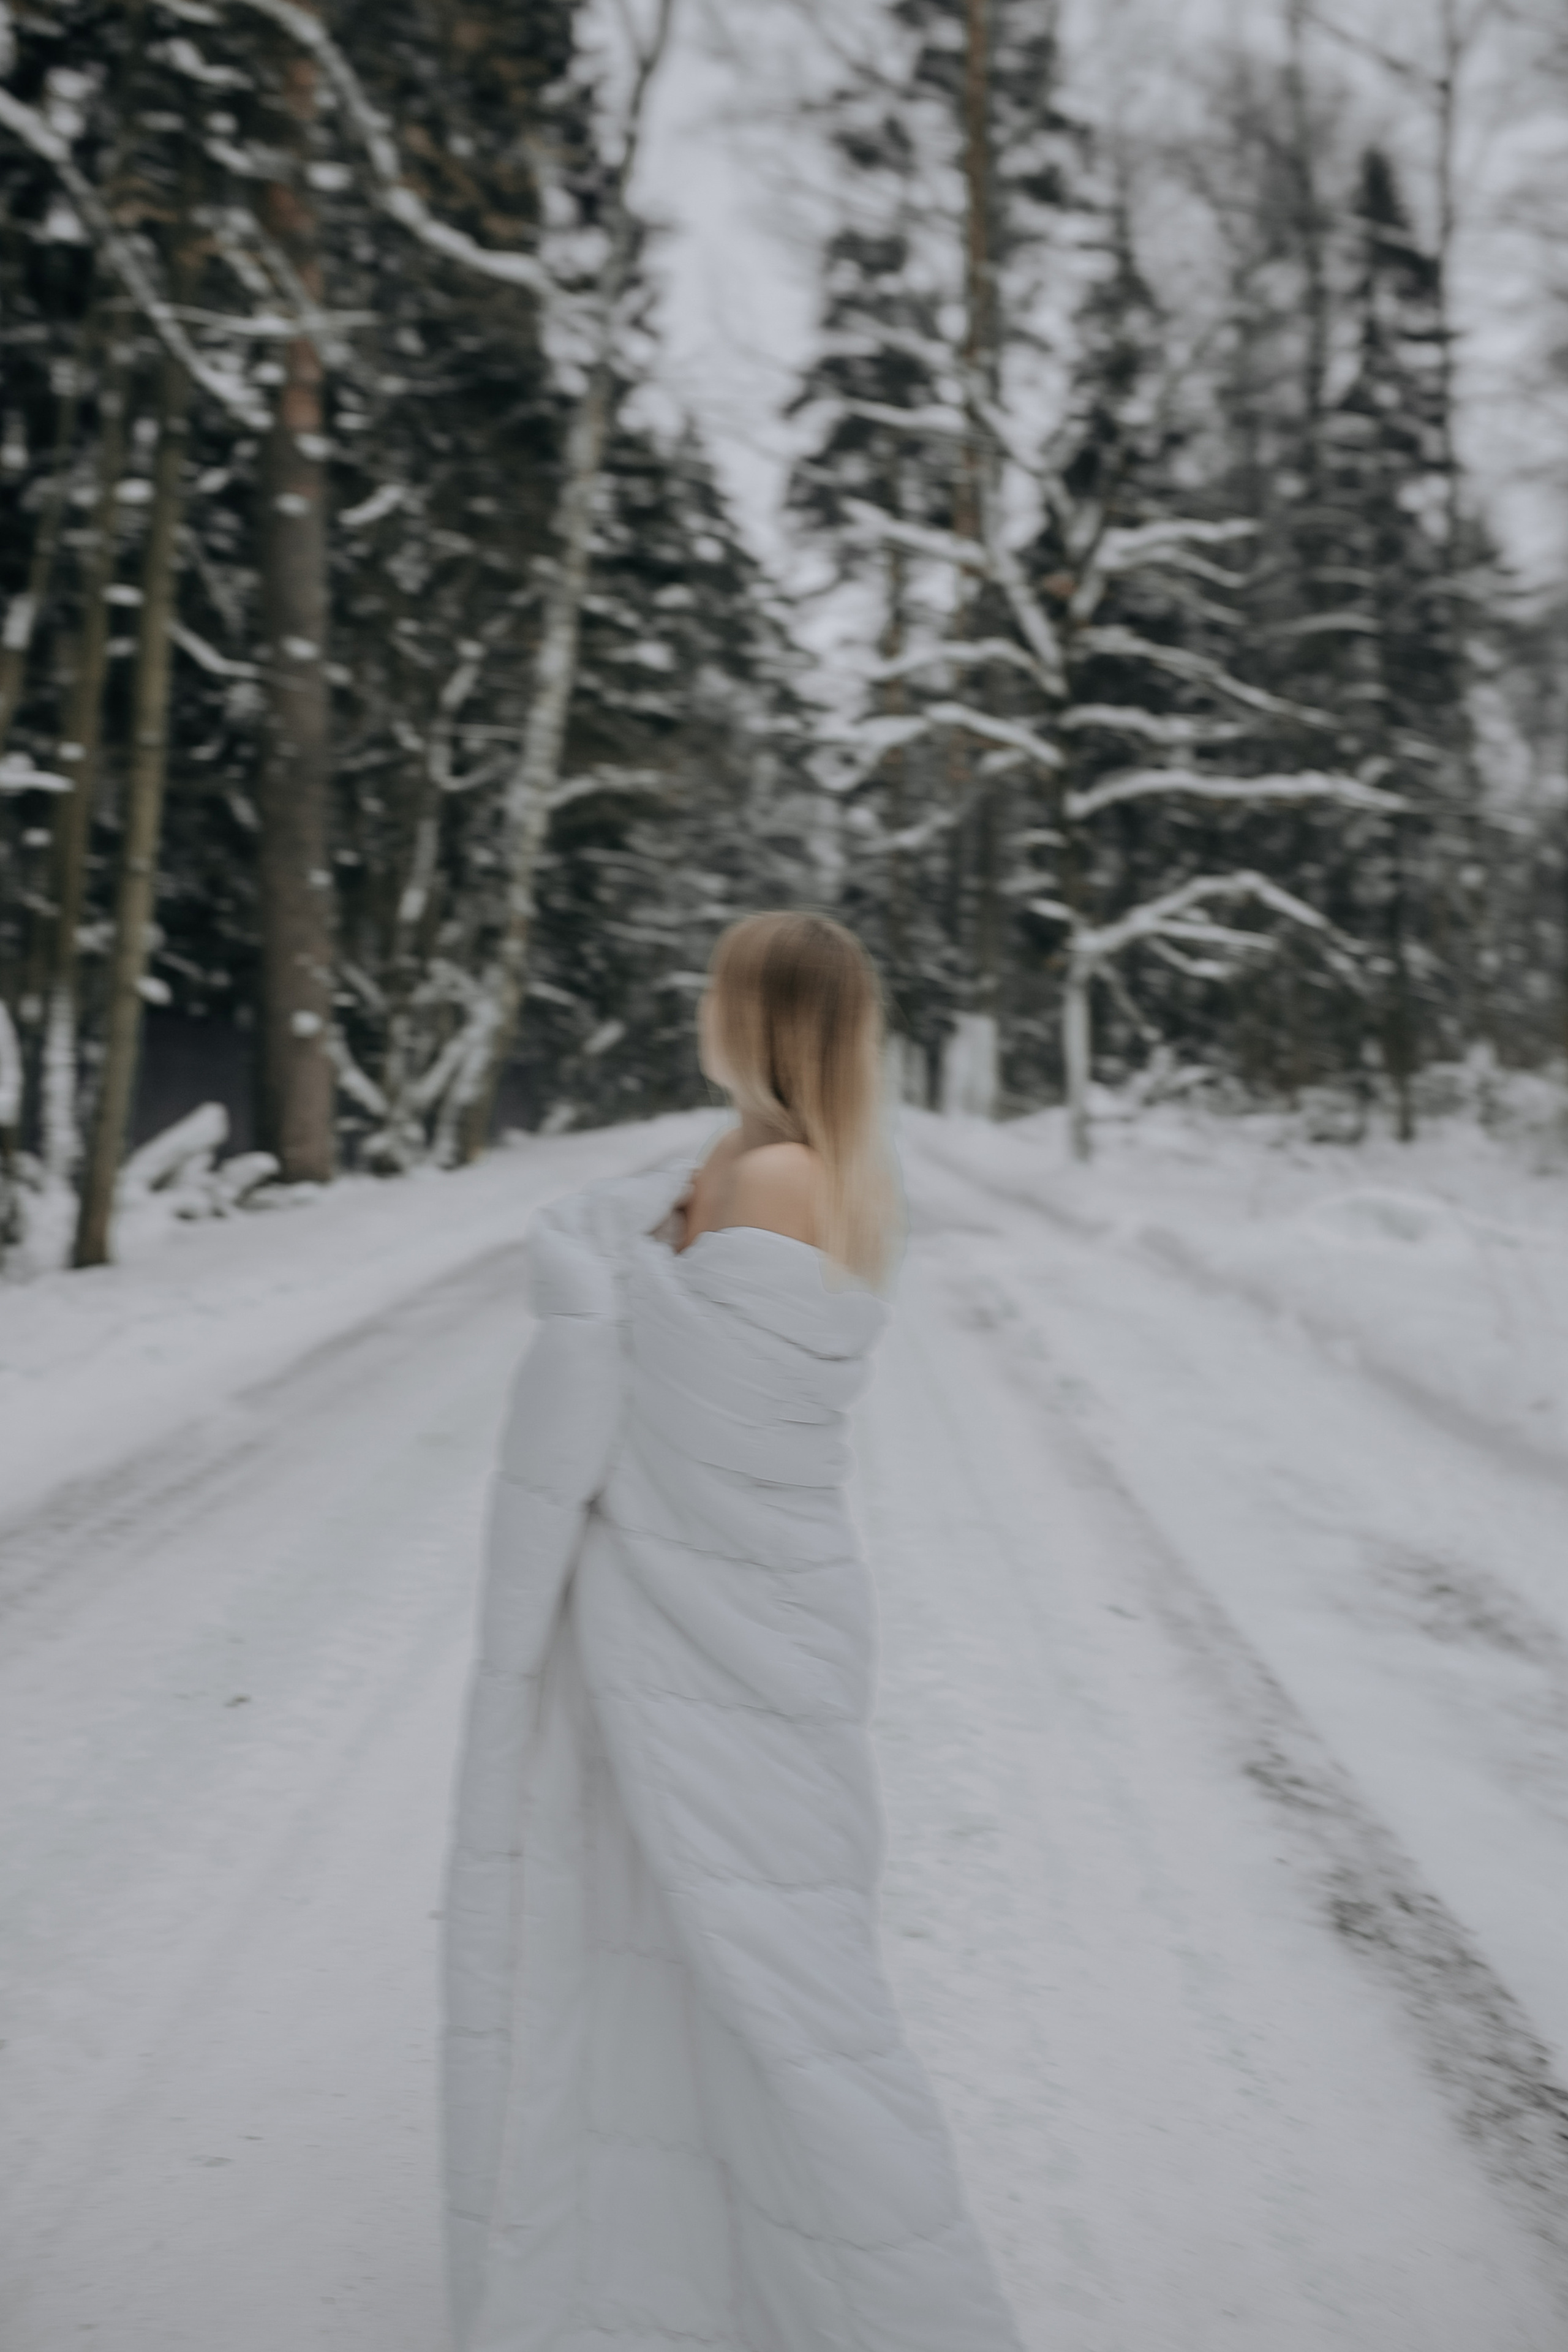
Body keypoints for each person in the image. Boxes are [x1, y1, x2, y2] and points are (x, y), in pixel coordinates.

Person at [443, 911, 1022, 2352]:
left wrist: (595, 1294)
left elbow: (702, 1443)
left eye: (720, 987)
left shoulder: (770, 1175)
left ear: (757, 1012)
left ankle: (896, 2300)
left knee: (782, 1985)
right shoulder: (760, 1157)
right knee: (699, 1951)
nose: (701, 1003)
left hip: (739, 1623)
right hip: (721, 1614)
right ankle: (691, 2266)